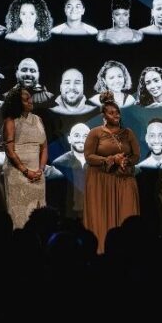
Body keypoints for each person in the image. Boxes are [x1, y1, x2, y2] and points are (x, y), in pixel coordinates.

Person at [84, 90, 140, 252]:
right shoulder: (95, 133)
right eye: (111, 113)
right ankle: (102, 250)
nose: (116, 115)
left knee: (127, 215)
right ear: (104, 116)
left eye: (117, 112)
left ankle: (127, 252)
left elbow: (136, 155)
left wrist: (125, 161)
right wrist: (110, 160)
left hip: (124, 179)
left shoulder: (128, 133)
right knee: (102, 215)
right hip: (101, 181)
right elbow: (89, 156)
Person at [1, 88, 48, 228]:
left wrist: (40, 169)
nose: (30, 101)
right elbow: (9, 151)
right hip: (18, 173)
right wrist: (26, 171)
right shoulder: (11, 121)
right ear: (17, 103)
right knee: (20, 215)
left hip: (37, 174)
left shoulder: (38, 119)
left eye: (30, 98)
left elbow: (44, 148)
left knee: (38, 213)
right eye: (26, 99)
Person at [51, 123, 90, 219]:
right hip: (70, 214)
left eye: (85, 136)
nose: (81, 140)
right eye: (77, 135)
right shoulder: (59, 163)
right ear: (69, 139)